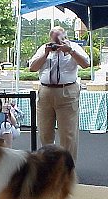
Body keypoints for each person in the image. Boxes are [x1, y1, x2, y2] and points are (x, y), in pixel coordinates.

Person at [29, 26, 90, 162]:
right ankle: (48, 165)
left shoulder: (73, 47)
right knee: (45, 132)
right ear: (50, 39)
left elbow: (86, 64)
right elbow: (32, 68)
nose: (57, 44)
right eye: (54, 40)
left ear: (65, 37)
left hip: (67, 92)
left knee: (68, 134)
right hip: (45, 93)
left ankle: (67, 168)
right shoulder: (44, 49)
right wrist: (45, 53)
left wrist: (71, 51)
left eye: (60, 39)